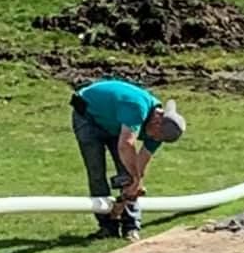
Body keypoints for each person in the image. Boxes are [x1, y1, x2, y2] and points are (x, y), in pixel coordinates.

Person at [71, 78, 186, 242]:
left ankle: (131, 227)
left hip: (115, 121)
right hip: (88, 115)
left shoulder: (162, 131)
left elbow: (142, 160)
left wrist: (135, 183)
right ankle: (107, 226)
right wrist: (134, 177)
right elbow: (126, 144)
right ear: (157, 121)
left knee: (129, 175)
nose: (153, 138)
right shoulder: (136, 108)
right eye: (155, 134)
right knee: (96, 171)